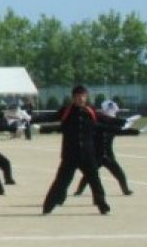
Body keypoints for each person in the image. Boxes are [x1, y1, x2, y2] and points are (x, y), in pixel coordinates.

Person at [33, 86, 125, 215]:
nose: (80, 99)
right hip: (70, 155)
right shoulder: (66, 111)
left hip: (87, 155)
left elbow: (105, 119)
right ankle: (48, 206)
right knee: (61, 182)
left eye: (83, 96)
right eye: (78, 96)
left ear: (86, 97)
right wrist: (31, 119)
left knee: (95, 181)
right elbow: (50, 116)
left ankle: (102, 206)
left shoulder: (90, 111)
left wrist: (122, 122)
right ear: (73, 98)